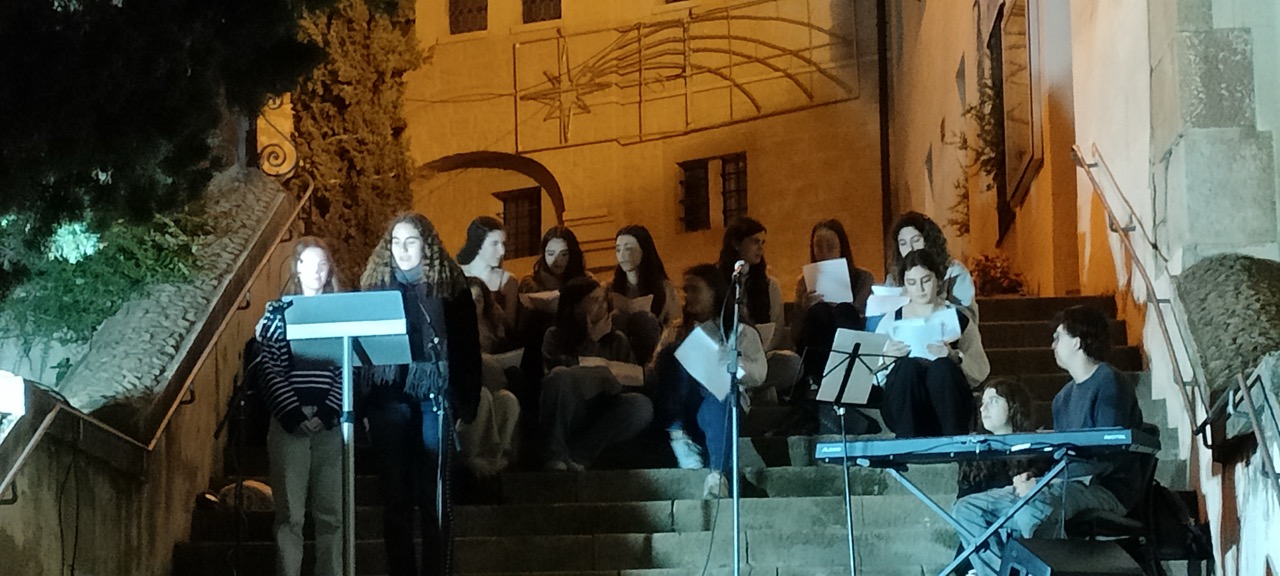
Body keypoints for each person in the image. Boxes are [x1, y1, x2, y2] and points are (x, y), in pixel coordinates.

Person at [951, 305, 1145, 576]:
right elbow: (1060, 454)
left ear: (1077, 341)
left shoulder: (1109, 383)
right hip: (1063, 483)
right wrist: (1034, 477)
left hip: (1104, 487)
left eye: (1058, 337)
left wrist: (1046, 483)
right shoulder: (1062, 398)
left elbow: (1107, 453)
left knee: (1032, 508)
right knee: (967, 509)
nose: (1053, 345)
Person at [359, 213, 482, 576]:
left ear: (426, 245)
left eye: (410, 241)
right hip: (388, 401)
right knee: (395, 499)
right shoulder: (374, 286)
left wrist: (465, 403)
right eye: (396, 242)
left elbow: (467, 347)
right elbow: (362, 356)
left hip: (435, 400)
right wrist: (364, 406)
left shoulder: (450, 287)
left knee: (434, 498)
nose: (402, 249)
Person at [257, 237, 344, 576]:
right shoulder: (279, 313)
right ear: (297, 268)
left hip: (329, 426)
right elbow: (270, 367)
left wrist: (327, 413)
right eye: (309, 263)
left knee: (331, 514)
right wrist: (293, 414)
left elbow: (347, 366)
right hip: (289, 424)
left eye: (323, 264)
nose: (317, 271)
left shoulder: (340, 314)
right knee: (290, 515)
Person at [652, 264, 767, 499]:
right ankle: (680, 437)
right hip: (684, 403)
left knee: (720, 398)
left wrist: (732, 362)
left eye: (695, 289)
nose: (688, 296)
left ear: (714, 292)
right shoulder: (675, 331)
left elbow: (759, 374)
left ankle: (717, 476)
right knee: (672, 353)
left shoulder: (741, 332)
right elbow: (657, 372)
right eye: (685, 290)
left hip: (723, 401)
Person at [540, 277, 653, 471]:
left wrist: (616, 384)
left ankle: (579, 454)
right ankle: (555, 453)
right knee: (560, 375)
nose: (602, 305)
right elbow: (556, 375)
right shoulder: (555, 335)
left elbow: (631, 378)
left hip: (602, 406)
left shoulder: (617, 339)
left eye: (603, 299)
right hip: (571, 407)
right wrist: (592, 341)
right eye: (594, 300)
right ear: (575, 307)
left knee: (641, 405)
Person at [875, 249, 989, 438]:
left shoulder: (958, 319)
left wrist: (954, 357)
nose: (920, 288)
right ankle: (908, 443)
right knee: (908, 367)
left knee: (942, 368)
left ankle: (952, 443)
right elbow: (872, 375)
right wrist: (886, 358)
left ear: (938, 281)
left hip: (948, 399)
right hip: (905, 399)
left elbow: (981, 369)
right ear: (905, 285)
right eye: (912, 283)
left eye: (926, 280)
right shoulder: (891, 321)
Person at [791, 219, 876, 401]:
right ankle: (814, 382)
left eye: (830, 246)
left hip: (848, 340)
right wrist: (803, 308)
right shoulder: (803, 282)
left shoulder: (863, 278)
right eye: (818, 246)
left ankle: (844, 379)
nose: (824, 253)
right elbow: (795, 334)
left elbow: (862, 319)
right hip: (815, 344)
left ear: (841, 248)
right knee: (818, 312)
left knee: (845, 311)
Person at [718, 217, 796, 403]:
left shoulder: (770, 285)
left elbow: (777, 329)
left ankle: (747, 389)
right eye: (754, 241)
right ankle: (747, 390)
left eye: (763, 243)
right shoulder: (718, 282)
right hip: (725, 356)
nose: (760, 248)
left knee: (791, 364)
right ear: (736, 243)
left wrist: (758, 351)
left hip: (759, 357)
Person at [458, 278, 520, 478]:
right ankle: (472, 456)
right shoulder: (451, 331)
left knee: (508, 400)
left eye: (479, 300)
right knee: (481, 396)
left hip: (494, 387)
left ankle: (498, 456)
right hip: (464, 401)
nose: (474, 306)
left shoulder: (493, 329)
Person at [888, 211, 978, 321]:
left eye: (916, 240)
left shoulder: (954, 271)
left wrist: (935, 303)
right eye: (903, 243)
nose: (910, 248)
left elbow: (968, 315)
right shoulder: (893, 278)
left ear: (928, 240)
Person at [610, 225, 679, 364]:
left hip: (654, 355)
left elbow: (673, 323)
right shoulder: (609, 288)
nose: (622, 255)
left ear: (644, 250)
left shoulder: (665, 288)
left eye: (628, 249)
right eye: (618, 249)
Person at [456, 216, 518, 341]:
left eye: (503, 244)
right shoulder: (456, 274)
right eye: (494, 244)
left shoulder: (507, 281)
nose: (502, 251)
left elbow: (509, 327)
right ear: (477, 243)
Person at [519, 225, 589, 293]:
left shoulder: (587, 282)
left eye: (564, 254)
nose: (557, 260)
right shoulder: (530, 284)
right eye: (551, 254)